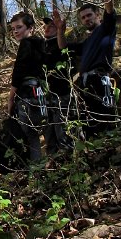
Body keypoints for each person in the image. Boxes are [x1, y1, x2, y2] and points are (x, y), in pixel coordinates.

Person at [64, 0, 117, 132]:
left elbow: (110, 13)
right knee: (90, 123)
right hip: (85, 83)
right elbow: (62, 47)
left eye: (89, 15)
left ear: (97, 15)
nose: (87, 19)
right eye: (83, 18)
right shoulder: (86, 42)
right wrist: (60, 29)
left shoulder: (106, 30)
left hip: (101, 80)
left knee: (107, 120)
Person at [7, 11, 48, 164]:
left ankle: (36, 170)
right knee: (45, 131)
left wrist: (11, 98)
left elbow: (19, 71)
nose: (15, 31)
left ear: (30, 27)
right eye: (13, 28)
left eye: (19, 27)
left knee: (30, 135)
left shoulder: (26, 43)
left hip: (27, 94)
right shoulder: (42, 43)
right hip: (41, 93)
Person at [42, 16, 75, 154]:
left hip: (62, 95)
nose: (47, 28)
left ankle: (69, 164)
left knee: (63, 134)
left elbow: (66, 52)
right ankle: (53, 164)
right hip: (46, 96)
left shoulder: (63, 45)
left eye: (51, 26)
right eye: (46, 26)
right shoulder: (43, 46)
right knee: (49, 134)